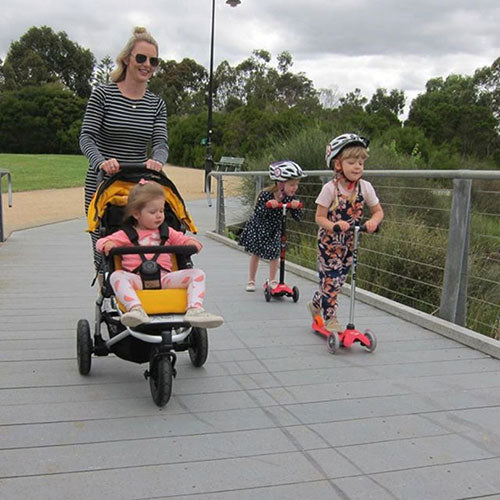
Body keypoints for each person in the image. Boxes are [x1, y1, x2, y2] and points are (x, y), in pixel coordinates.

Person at [80, 26, 168, 271]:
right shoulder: (103, 95)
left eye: (153, 60)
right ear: (127, 59)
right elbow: (87, 137)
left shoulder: (156, 104)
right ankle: (106, 294)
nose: (147, 64)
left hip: (138, 184)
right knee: (106, 247)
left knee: (144, 243)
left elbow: (160, 142)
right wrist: (101, 161)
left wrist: (158, 161)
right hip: (104, 180)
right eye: (141, 58)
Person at [96, 180, 223, 329]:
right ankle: (136, 309)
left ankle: (195, 309)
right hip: (136, 280)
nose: (159, 216)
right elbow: (102, 242)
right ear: (136, 214)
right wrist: (107, 244)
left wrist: (192, 243)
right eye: (152, 212)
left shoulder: (167, 232)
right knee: (116, 276)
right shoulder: (126, 234)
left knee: (198, 274)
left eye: (161, 211)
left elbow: (184, 240)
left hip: (164, 278)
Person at [308, 133, 384, 332]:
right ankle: (331, 318)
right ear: (338, 164)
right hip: (329, 244)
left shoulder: (365, 188)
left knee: (339, 281)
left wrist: (373, 222)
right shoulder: (330, 189)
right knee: (332, 279)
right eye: (352, 162)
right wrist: (334, 225)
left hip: (351, 242)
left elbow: (378, 211)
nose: (358, 166)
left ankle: (317, 303)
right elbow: (319, 217)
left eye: (361, 162)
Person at [239, 160, 306, 292]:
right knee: (256, 253)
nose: (295, 188)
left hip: (276, 229)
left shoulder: (289, 198)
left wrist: (296, 206)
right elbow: (259, 212)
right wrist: (269, 205)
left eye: (296, 184)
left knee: (276, 254)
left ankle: (273, 280)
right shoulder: (265, 195)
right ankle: (251, 280)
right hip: (259, 227)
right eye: (292, 184)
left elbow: (298, 217)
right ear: (281, 184)